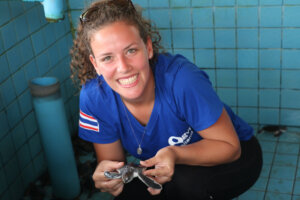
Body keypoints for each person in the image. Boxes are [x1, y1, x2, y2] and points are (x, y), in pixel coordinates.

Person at [70, 0, 263, 199]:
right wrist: (109, 176)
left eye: (131, 50)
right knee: (129, 192)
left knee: (187, 184)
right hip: (172, 163)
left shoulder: (182, 81)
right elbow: (116, 165)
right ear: (95, 64)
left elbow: (230, 148)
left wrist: (175, 154)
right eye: (107, 58)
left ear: (148, 48)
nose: (123, 67)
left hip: (236, 154)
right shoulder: (94, 98)